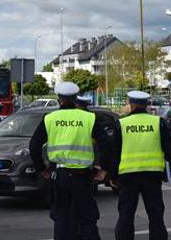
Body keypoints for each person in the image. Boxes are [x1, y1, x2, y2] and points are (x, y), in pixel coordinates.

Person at [29, 81, 111, 240]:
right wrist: (104, 169)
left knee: (61, 217)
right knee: (87, 216)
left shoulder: (50, 118)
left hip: (60, 176)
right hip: (83, 176)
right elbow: (105, 143)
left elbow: (34, 145)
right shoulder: (88, 118)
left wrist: (42, 169)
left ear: (59, 99)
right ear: (75, 99)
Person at [112, 91, 171, 240]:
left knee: (126, 215)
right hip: (153, 176)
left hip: (128, 177)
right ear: (146, 105)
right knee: (156, 216)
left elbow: (114, 153)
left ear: (132, 104)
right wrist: (168, 172)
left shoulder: (122, 124)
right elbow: (169, 150)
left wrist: (113, 176)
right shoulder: (157, 122)